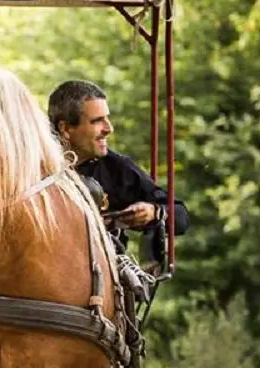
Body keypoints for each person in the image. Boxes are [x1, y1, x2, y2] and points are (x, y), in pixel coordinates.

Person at [48, 80, 190, 258]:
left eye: (107, 118)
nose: (109, 128)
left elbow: (181, 216)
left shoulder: (116, 169)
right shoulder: (31, 167)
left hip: (102, 277)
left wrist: (154, 212)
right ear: (66, 128)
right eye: (97, 121)